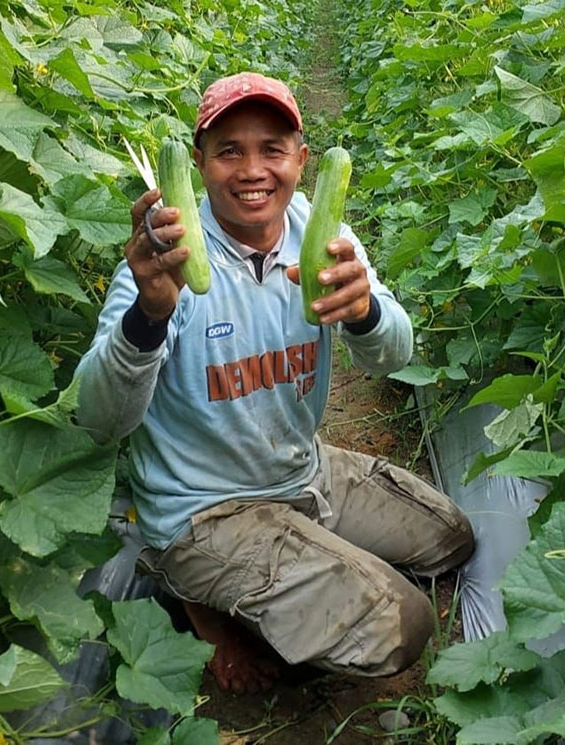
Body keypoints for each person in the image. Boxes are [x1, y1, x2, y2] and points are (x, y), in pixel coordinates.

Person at [76, 72, 474, 694]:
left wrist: (367, 311)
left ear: (301, 159)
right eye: (230, 150)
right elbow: (100, 421)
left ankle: (297, 548)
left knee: (452, 540)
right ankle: (193, 594)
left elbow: (392, 357)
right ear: (201, 163)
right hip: (202, 510)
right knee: (404, 625)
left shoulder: (321, 235)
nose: (252, 170)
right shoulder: (164, 262)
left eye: (272, 149)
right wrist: (148, 316)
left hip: (299, 471)